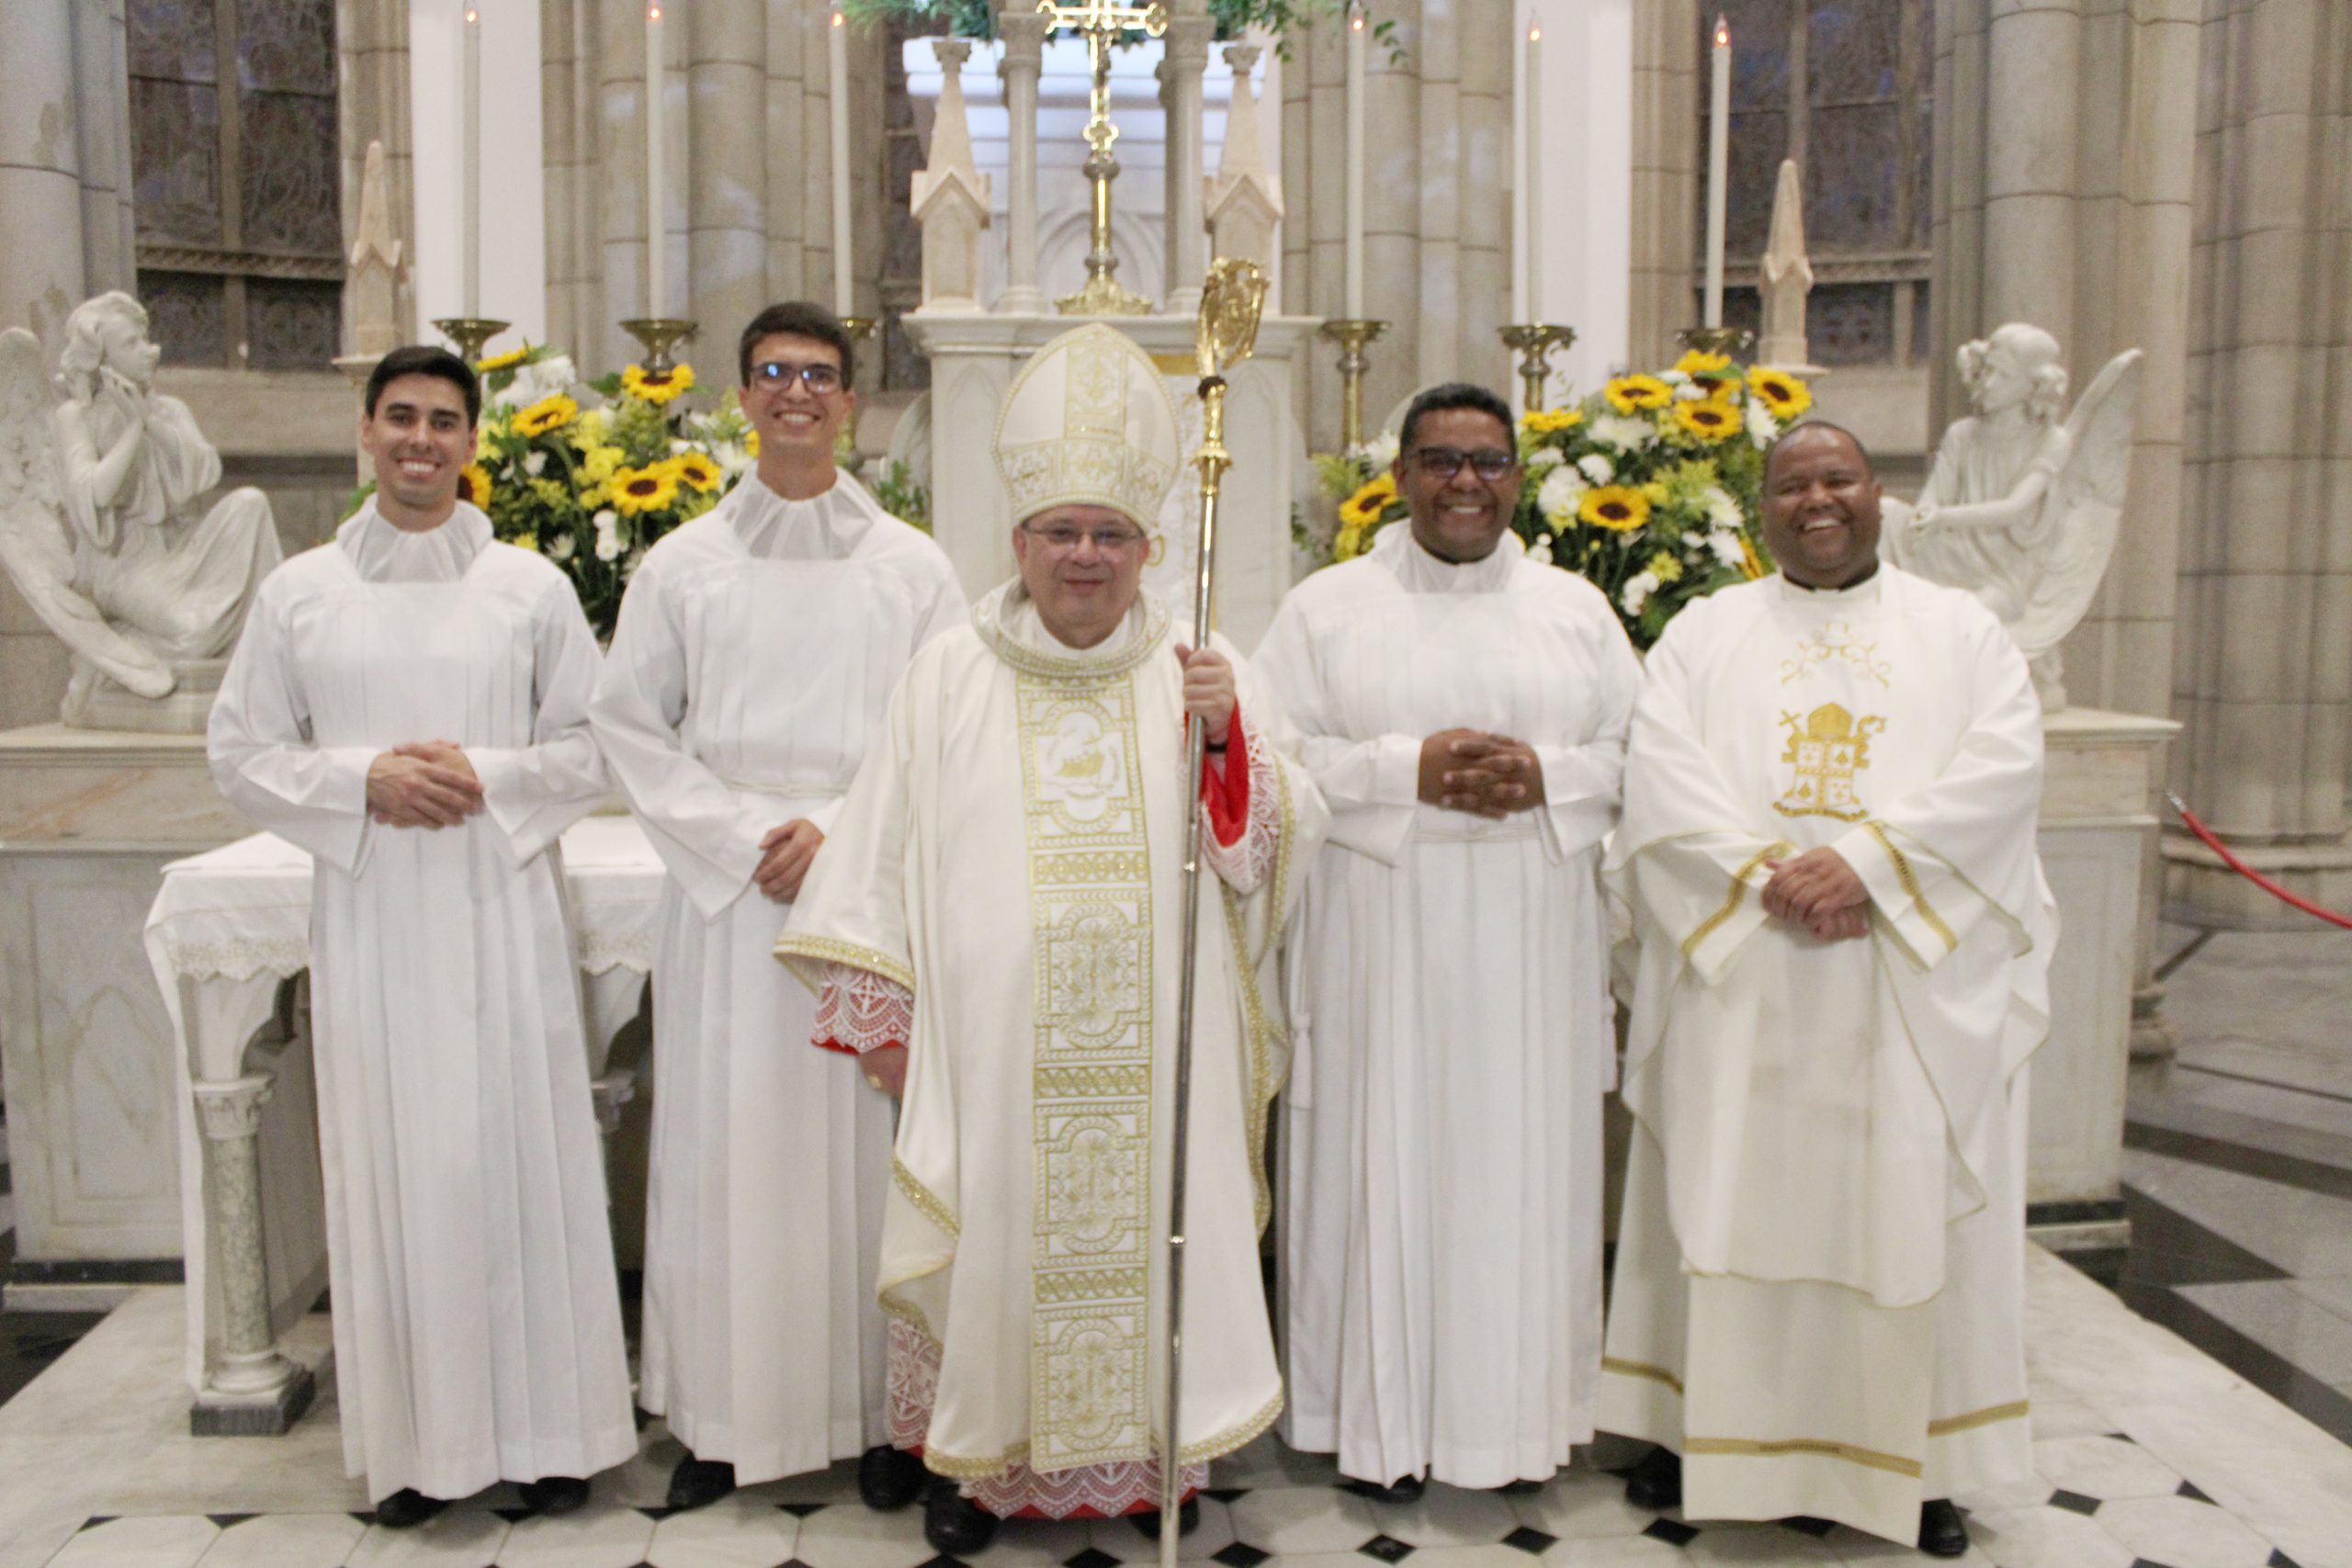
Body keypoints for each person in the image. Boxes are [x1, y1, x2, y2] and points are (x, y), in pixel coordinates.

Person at [775, 322, 1329, 1555]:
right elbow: (874, 856)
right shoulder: (947, 673)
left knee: (1145, 1249)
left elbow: (1267, 853)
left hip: (1157, 1061)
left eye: (1111, 534)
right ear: (1019, 540)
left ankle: (1141, 1460)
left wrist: (1229, 736)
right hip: (991, 1058)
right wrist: (889, 1026)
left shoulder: (1200, 664)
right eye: (1063, 532)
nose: (1086, 556)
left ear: (1150, 546)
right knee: (991, 1253)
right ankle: (977, 1468)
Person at [1598, 422, 2052, 1557]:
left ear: (1878, 493)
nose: (1816, 500)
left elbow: (2001, 770)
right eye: (1791, 484)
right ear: (1762, 509)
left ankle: (1920, 1460)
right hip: (1744, 967)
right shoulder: (1703, 635)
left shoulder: (1963, 632)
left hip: (1900, 982)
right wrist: (1769, 878)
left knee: (1897, 1210)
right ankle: (1695, 1427)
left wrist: (1867, 865)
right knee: (1720, 1190)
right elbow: (1659, 774)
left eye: (1837, 478)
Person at [209, 346, 634, 1528]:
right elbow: (239, 753)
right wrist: (364, 780)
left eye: (444, 421)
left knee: (519, 1163)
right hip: (377, 917)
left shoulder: (529, 589)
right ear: (365, 431)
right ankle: (413, 1453)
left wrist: (480, 773)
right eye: (400, 417)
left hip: (501, 918)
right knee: (399, 1169)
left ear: (470, 443)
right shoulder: (298, 593)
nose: (420, 440)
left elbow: (596, 748)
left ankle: (554, 1438)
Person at [591, 301, 965, 1512]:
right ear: (741, 399)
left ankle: (879, 1415)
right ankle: (723, 1414)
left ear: (852, 401)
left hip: (869, 889)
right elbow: (630, 727)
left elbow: (948, 729)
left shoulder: (912, 565)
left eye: (819, 375)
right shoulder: (681, 563)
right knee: (728, 1144)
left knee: (871, 1157)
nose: (796, 393)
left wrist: (848, 836)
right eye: (773, 374)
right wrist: (753, 835)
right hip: (735, 893)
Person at [1255, 383, 1640, 1499]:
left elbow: (1645, 753)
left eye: (1484, 462)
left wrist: (1548, 777)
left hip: (1531, 946)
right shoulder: (1324, 608)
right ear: (1401, 476)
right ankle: (1370, 1427)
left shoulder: (1576, 610)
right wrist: (1401, 770)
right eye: (1438, 461)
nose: (1463, 482)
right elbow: (1270, 762)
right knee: (1382, 1160)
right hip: (1378, 942)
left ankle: (1513, 1426)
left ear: (1516, 476)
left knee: (1520, 1177)